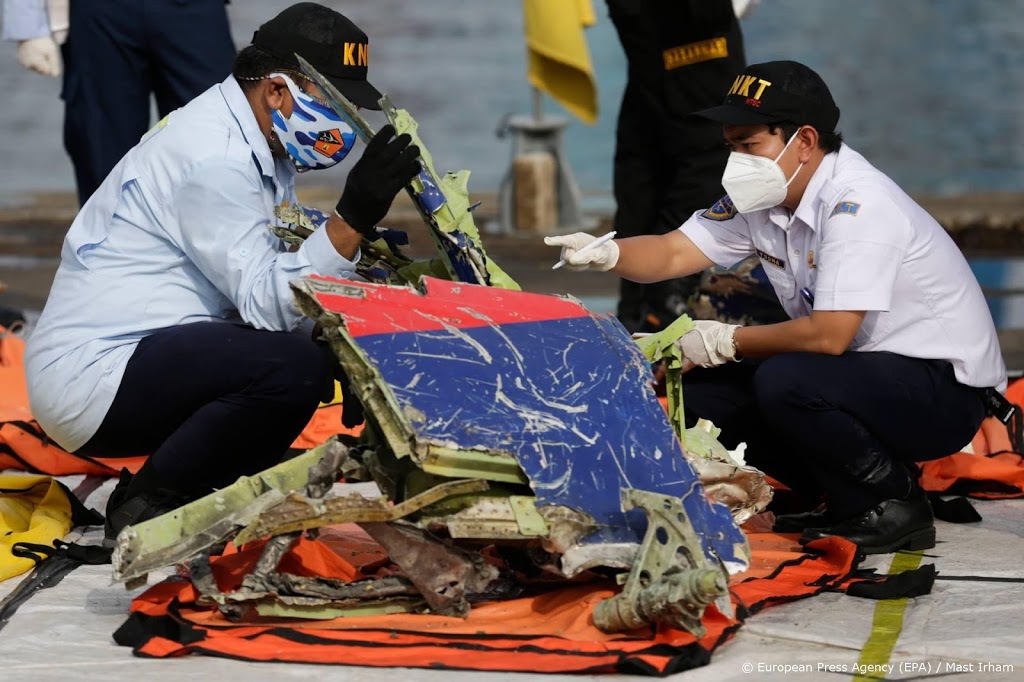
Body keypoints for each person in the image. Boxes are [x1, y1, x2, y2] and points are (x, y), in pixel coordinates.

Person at [546, 60, 1006, 554]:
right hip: (868, 377)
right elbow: (676, 250)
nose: (736, 160)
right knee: (706, 396)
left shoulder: (858, 205)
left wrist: (724, 340)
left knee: (785, 381)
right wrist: (607, 254)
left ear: (804, 141)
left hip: (944, 393)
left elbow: (829, 336)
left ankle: (894, 502)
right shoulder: (766, 197)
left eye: (749, 146)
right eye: (731, 146)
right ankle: (840, 492)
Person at [23, 2, 421, 543]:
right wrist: (352, 218)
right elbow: (266, 302)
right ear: (278, 91)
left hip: (151, 352)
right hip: (94, 378)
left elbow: (268, 282)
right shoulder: (217, 157)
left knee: (317, 349)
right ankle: (149, 502)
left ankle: (211, 474)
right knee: (293, 367)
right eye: (335, 99)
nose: (346, 117)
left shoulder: (254, 139)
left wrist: (349, 343)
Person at [605, 0, 776, 334]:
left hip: (650, 41)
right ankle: (662, 309)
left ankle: (637, 313)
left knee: (645, 175)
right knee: (703, 166)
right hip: (697, 38)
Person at [2, 0, 236, 205]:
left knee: (217, 138)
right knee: (102, 149)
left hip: (195, 11)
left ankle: (217, 248)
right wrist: (28, 27)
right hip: (99, 13)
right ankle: (109, 250)